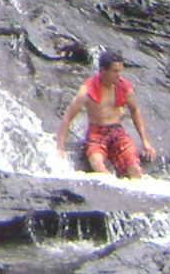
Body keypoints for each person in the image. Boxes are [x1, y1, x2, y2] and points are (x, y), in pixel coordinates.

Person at [54, 50, 157, 178]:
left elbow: (135, 110)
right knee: (97, 165)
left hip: (117, 131)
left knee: (135, 169)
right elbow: (68, 117)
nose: (118, 75)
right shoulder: (87, 91)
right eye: (115, 71)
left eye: (120, 71)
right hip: (96, 133)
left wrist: (145, 141)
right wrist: (60, 148)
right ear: (103, 70)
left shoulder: (124, 86)